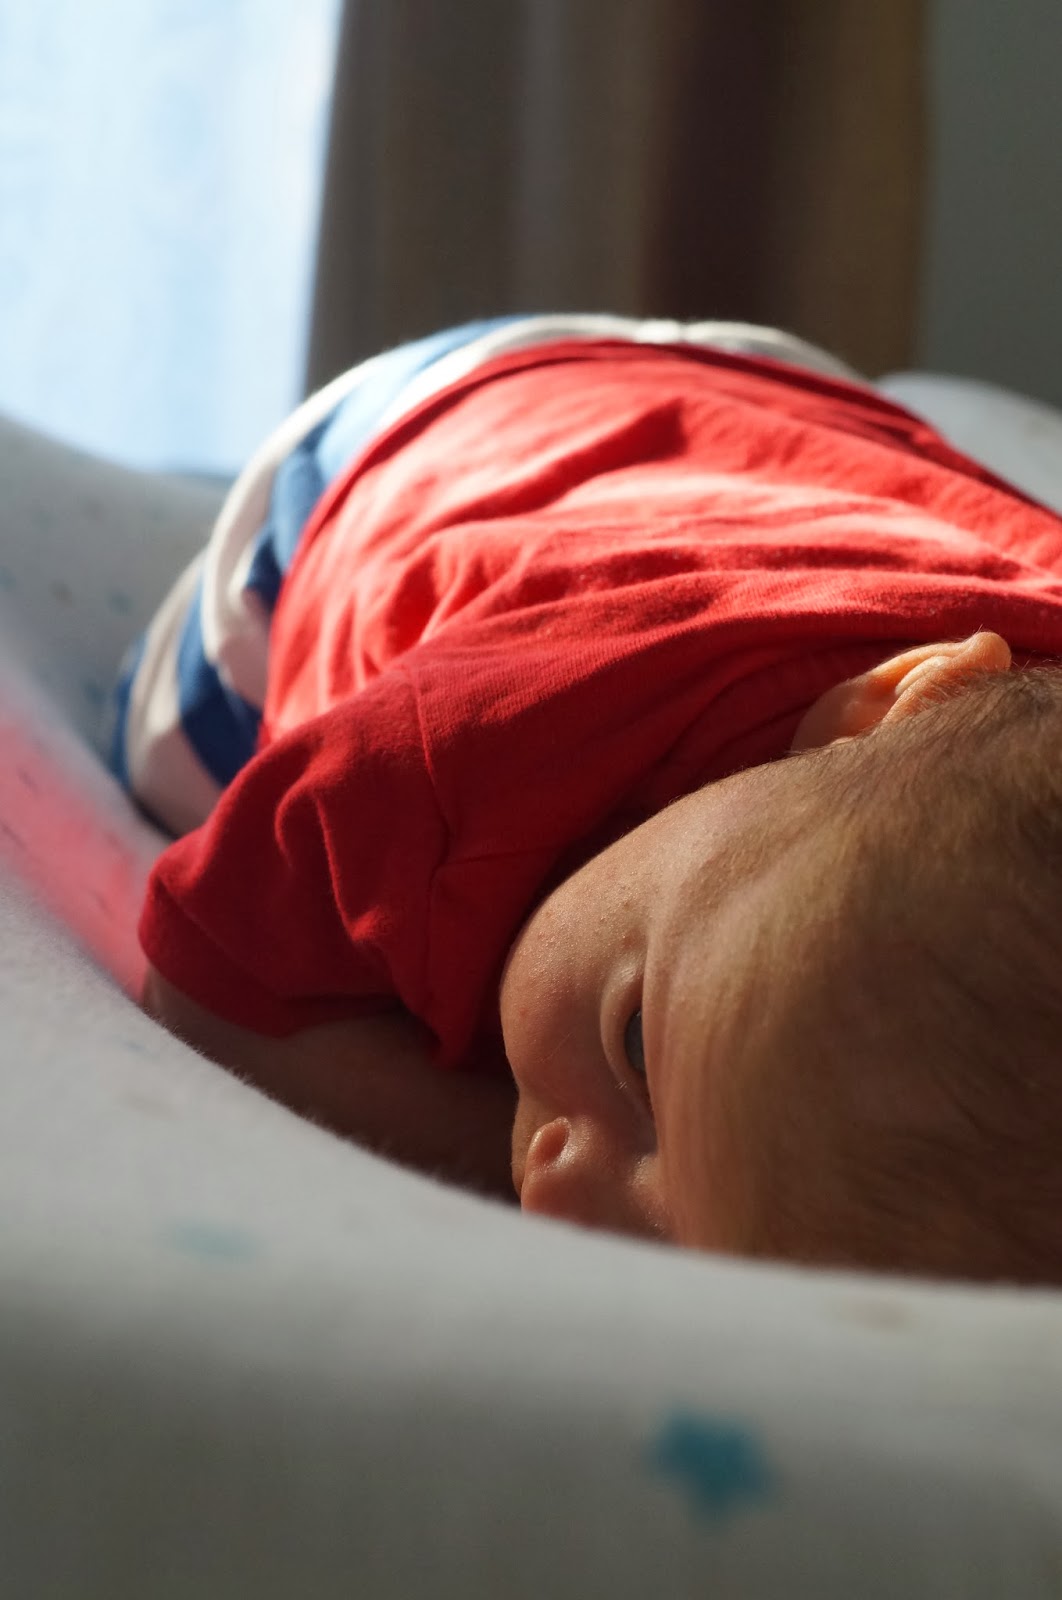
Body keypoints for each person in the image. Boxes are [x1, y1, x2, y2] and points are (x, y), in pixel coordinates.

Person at [113, 315, 1062, 1284]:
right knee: (169, 755)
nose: (554, 1194)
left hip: (797, 417)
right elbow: (203, 979)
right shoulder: (466, 748)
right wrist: (476, 1137)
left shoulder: (935, 766)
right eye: (636, 1044)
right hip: (427, 430)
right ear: (864, 716)